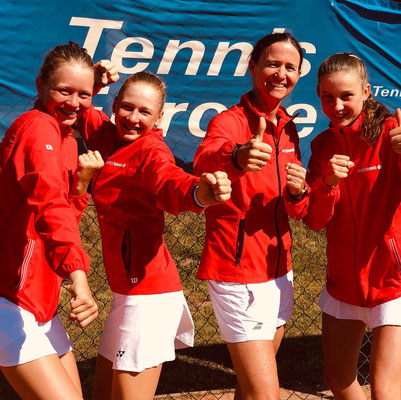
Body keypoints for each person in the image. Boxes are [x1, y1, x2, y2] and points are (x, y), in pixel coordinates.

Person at [75, 70, 232, 400]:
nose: (133, 118)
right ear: (115, 105)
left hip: (149, 298)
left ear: (159, 117)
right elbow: (84, 114)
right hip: (127, 296)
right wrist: (96, 83)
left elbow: (171, 182)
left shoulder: (151, 152)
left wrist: (200, 193)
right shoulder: (112, 140)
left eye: (144, 112)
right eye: (126, 108)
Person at [193, 32, 308, 399]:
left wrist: (299, 192)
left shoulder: (289, 127)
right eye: (273, 64)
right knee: (266, 394)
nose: (281, 74)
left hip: (278, 270)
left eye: (290, 67)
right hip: (237, 271)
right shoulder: (230, 121)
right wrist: (237, 156)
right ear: (253, 67)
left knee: (250, 387)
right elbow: (206, 157)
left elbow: (297, 207)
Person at [0, 42, 117, 399]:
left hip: (40, 300)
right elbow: (49, 206)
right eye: (63, 91)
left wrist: (82, 186)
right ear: (40, 85)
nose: (74, 103)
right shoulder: (37, 129)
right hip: (9, 300)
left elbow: (63, 214)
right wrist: (79, 278)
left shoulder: (66, 138)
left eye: (84, 94)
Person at [304, 53, 401, 399]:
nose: (338, 105)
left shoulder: (392, 134)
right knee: (338, 380)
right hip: (344, 281)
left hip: (393, 279)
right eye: (328, 97)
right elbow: (315, 220)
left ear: (366, 91)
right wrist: (328, 182)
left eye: (346, 95)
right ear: (317, 93)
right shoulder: (320, 147)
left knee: (386, 389)